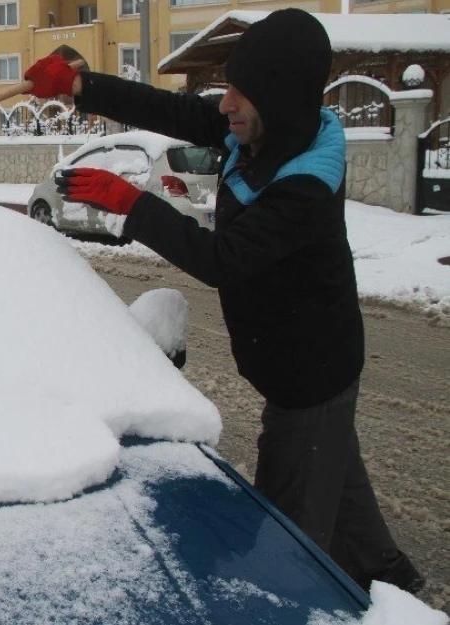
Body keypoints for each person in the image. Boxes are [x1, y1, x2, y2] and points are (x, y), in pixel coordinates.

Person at [22, 8, 425, 594]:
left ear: (280, 100)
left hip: (308, 381)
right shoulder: (267, 129)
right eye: (229, 87)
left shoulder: (305, 187)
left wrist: (133, 204)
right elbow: (176, 110)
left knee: (288, 539)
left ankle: (306, 601)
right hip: (306, 369)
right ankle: (389, 579)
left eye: (242, 93)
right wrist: (84, 85)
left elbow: (223, 260)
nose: (226, 104)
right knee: (336, 482)